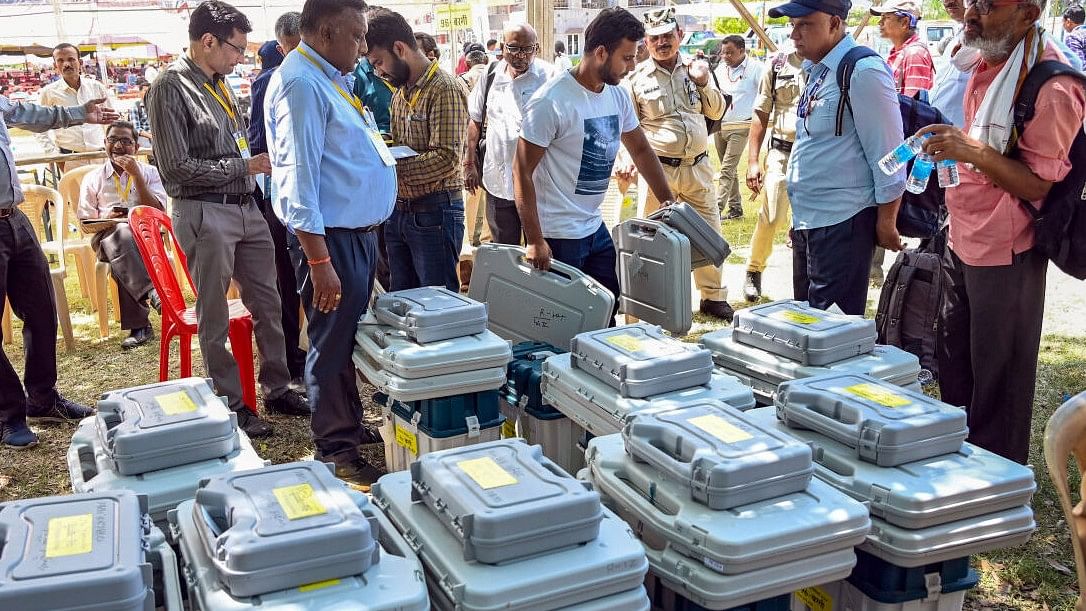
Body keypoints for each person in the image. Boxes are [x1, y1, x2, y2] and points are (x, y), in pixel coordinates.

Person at [920, 0, 1085, 464]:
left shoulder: (1052, 84)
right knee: (956, 361)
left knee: (1000, 376)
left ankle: (997, 480)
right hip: (963, 234)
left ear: (1029, 14)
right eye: (972, 3)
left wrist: (970, 150)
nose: (972, 14)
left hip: (1008, 246)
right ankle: (959, 461)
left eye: (988, 7)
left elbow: (1038, 183)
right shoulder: (988, 60)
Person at [146, 0, 310, 438]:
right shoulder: (169, 87)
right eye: (236, 49)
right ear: (207, 41)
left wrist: (250, 175)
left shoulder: (218, 81)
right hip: (204, 209)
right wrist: (245, 168)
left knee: (270, 302)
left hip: (245, 206)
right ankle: (232, 403)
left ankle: (277, 387)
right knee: (214, 314)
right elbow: (175, 168)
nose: (241, 59)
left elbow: (235, 145)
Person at [267, 0, 394, 487]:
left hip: (353, 235)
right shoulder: (301, 84)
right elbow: (297, 184)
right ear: (323, 32)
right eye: (356, 36)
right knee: (330, 340)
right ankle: (336, 449)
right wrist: (319, 259)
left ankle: (346, 424)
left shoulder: (327, 75)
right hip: (329, 240)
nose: (363, 48)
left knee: (344, 337)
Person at [514, 7, 674, 303]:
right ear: (601, 52)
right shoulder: (550, 102)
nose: (631, 66)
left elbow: (640, 149)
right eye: (626, 58)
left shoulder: (617, 94)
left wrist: (668, 200)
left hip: (595, 226)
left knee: (606, 304)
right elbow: (521, 171)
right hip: (558, 235)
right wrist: (535, 239)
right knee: (564, 318)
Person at [769, 0, 906, 316]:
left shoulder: (863, 71)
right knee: (807, 325)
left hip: (844, 223)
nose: (794, 34)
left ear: (834, 23)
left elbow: (891, 154)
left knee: (832, 335)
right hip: (809, 221)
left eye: (805, 24)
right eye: (793, 25)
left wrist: (887, 221)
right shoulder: (817, 70)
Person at [0, 93, 113, 448]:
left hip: (14, 219)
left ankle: (43, 399)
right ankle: (8, 414)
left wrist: (80, 113)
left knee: (42, 312)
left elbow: (28, 113)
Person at [625, 6, 733, 320]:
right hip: (658, 170)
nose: (662, 42)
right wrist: (627, 163)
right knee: (649, 236)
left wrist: (702, 82)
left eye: (668, 36)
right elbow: (628, 127)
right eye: (655, 38)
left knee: (710, 231)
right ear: (647, 41)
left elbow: (715, 112)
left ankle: (712, 297)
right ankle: (647, 300)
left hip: (697, 167)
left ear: (679, 35)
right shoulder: (636, 79)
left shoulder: (696, 69)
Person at [366, 8, 469, 292]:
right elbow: (403, 146)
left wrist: (388, 167)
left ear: (399, 48)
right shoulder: (400, 92)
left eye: (379, 62)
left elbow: (447, 158)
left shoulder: (444, 88)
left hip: (435, 211)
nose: (378, 72)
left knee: (437, 302)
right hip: (400, 211)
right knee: (404, 301)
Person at [247, 12, 306, 390]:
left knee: (291, 281)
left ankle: (295, 354)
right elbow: (258, 140)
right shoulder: (277, 79)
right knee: (287, 279)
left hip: (284, 195)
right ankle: (290, 357)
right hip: (282, 196)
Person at [77, 120, 164, 350]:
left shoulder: (150, 172)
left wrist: (137, 177)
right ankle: (153, 293)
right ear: (105, 143)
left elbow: (159, 211)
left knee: (124, 252)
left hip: (146, 237)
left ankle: (140, 326)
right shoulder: (93, 178)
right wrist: (110, 218)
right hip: (105, 237)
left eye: (126, 141)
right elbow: (85, 223)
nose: (118, 145)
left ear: (136, 147)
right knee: (121, 234)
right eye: (113, 140)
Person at [466, 23, 554, 247]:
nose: (520, 56)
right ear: (502, 48)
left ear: (537, 48)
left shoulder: (550, 77)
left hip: (538, 185)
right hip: (498, 182)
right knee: (504, 250)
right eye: (514, 48)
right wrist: (469, 161)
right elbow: (474, 120)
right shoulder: (491, 75)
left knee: (540, 250)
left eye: (528, 49)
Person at [743, 45, 805, 301]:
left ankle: (807, 282)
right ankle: (753, 270)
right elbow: (761, 113)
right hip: (782, 151)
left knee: (810, 222)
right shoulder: (779, 63)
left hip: (817, 154)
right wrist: (753, 160)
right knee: (772, 216)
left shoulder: (831, 62)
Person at [713, 35, 764, 220]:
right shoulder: (720, 69)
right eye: (723, 52)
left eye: (730, 52)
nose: (725, 56)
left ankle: (716, 210)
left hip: (742, 126)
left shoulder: (756, 69)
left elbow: (765, 95)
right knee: (729, 169)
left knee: (727, 169)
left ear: (742, 50)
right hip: (720, 125)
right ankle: (735, 209)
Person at [37, 43, 114, 164]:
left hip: (100, 156)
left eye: (71, 59)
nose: (66, 64)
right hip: (69, 159)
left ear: (81, 62)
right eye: (60, 61)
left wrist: (112, 149)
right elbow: (39, 126)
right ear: (55, 65)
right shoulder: (48, 92)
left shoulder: (97, 87)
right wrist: (53, 155)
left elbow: (112, 120)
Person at [872, 0, 936, 96]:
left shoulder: (914, 54)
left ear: (904, 23)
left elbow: (913, 105)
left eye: (886, 17)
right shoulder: (900, 52)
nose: (880, 22)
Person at [929, 0, 971, 127]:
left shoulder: (989, 42)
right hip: (939, 131)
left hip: (962, 137)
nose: (948, 2)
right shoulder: (955, 39)